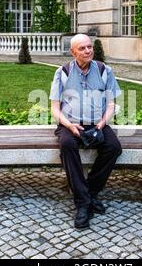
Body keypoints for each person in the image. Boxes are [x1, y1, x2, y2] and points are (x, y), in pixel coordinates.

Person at [49, 34, 123, 229]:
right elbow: (55, 108)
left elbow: (112, 103)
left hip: (97, 123)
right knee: (67, 145)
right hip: (70, 123)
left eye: (89, 47)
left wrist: (101, 124)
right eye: (82, 48)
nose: (88, 50)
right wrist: (69, 126)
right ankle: (84, 204)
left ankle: (87, 194)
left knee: (114, 147)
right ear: (73, 52)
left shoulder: (104, 70)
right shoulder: (63, 72)